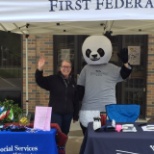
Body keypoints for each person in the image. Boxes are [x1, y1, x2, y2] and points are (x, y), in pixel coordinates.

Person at [35, 57, 79, 135]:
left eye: (68, 67)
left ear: (71, 68)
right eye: (64, 67)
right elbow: (40, 80)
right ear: (60, 68)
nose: (66, 69)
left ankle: (62, 147)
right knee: (56, 133)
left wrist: (75, 115)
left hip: (68, 114)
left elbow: (75, 99)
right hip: (55, 113)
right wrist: (39, 69)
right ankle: (55, 147)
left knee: (64, 134)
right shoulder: (53, 79)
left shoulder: (73, 82)